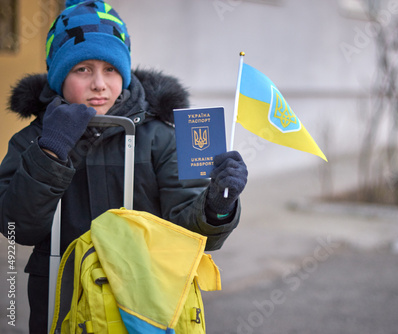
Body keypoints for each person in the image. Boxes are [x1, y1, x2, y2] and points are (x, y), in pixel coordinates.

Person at [0, 0, 248, 332]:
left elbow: (190, 232)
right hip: (62, 296)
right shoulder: (32, 140)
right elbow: (18, 227)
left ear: (125, 73)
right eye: (82, 69)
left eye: (111, 69)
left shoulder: (160, 137)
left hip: (144, 299)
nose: (99, 84)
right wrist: (52, 152)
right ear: (59, 76)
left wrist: (218, 204)